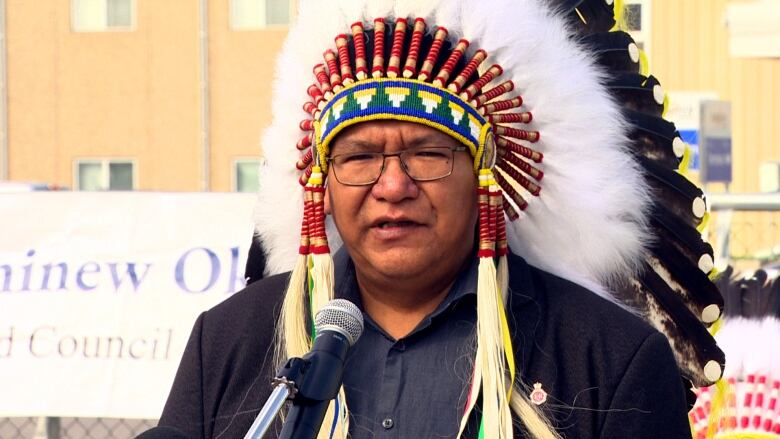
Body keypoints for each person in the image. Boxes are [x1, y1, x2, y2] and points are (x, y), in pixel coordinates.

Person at [158, 0, 725, 437]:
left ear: (486, 176)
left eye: (428, 155)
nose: (393, 186)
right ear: (322, 186)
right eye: (358, 158)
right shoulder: (230, 342)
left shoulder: (607, 357)